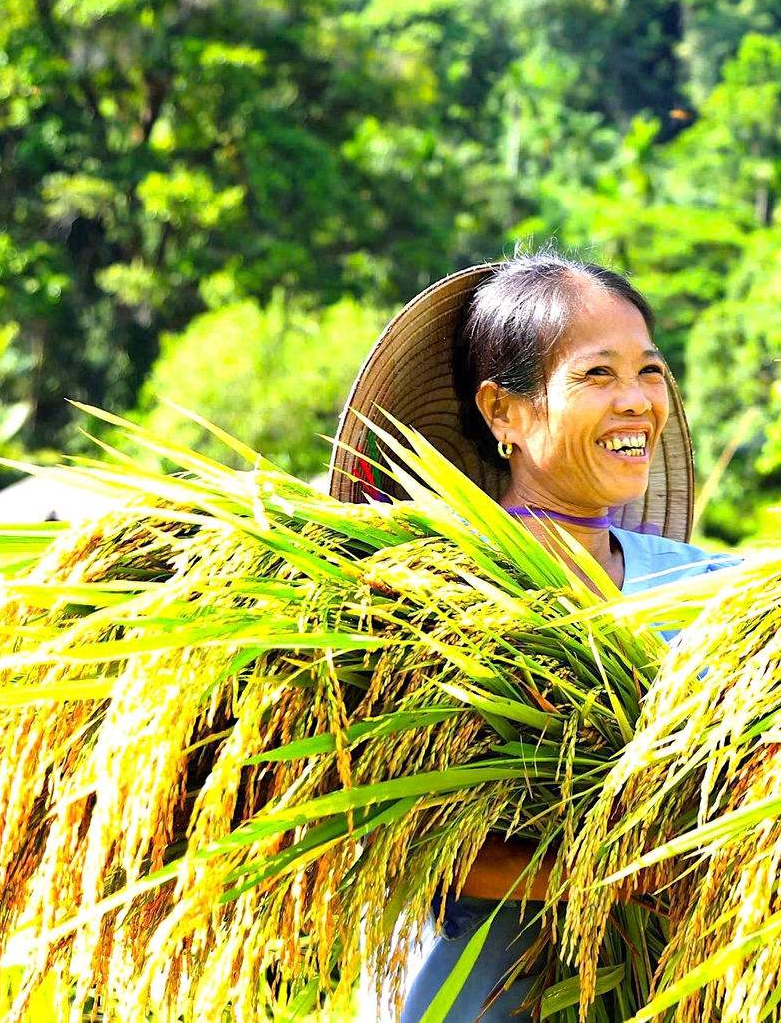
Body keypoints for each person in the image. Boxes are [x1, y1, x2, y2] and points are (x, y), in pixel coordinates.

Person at [326, 252, 736, 1022]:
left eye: (649, 372)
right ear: (503, 412)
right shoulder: (430, 594)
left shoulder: (717, 590)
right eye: (597, 375)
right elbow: (402, 839)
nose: (638, 402)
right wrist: (638, 872)